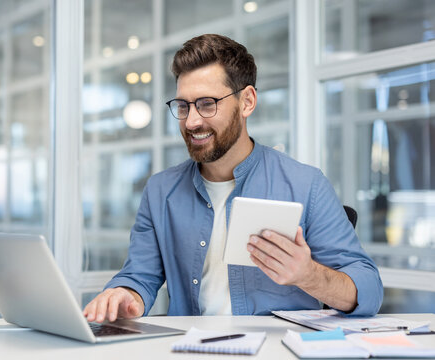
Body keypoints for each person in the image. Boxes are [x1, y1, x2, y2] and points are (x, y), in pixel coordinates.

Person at [83, 34, 383, 323]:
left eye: (206, 103)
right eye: (184, 106)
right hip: (188, 348)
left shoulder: (306, 185)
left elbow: (369, 289)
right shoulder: (160, 190)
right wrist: (125, 294)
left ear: (247, 102)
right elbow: (140, 275)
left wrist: (309, 275)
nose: (191, 121)